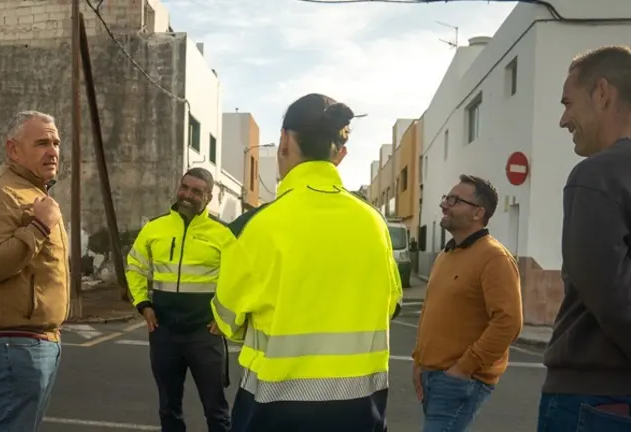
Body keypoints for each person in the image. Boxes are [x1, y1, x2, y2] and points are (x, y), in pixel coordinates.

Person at [211, 93, 402, 432]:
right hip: (360, 410)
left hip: (273, 409)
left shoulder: (256, 227)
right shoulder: (375, 225)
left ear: (284, 140)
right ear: (339, 153)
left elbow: (228, 320)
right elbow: (390, 305)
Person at [538, 45, 631, 431]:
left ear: (603, 93)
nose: (563, 120)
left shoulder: (597, 175)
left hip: (594, 399)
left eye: (568, 102)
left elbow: (614, 300)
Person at [0, 111, 69, 431]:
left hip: (38, 339)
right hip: (13, 341)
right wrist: (38, 227)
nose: (52, 151)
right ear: (13, 150)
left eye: (55, 143)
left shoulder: (34, 193)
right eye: (41, 143)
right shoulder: (1, 194)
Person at [411, 175, 523, 432]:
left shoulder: (494, 257)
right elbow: (430, 311)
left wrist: (463, 368)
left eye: (454, 200)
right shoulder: (446, 255)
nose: (444, 205)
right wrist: (419, 361)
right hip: (433, 376)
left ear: (478, 213)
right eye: (445, 198)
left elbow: (508, 323)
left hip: (461, 380)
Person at [125, 167, 232, 432]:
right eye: (184, 187)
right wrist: (143, 304)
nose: (187, 195)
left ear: (209, 197)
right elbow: (135, 266)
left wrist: (226, 317)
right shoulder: (155, 228)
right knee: (168, 408)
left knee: (216, 411)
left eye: (196, 191)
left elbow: (242, 280)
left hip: (204, 333)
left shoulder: (223, 234)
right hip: (164, 333)